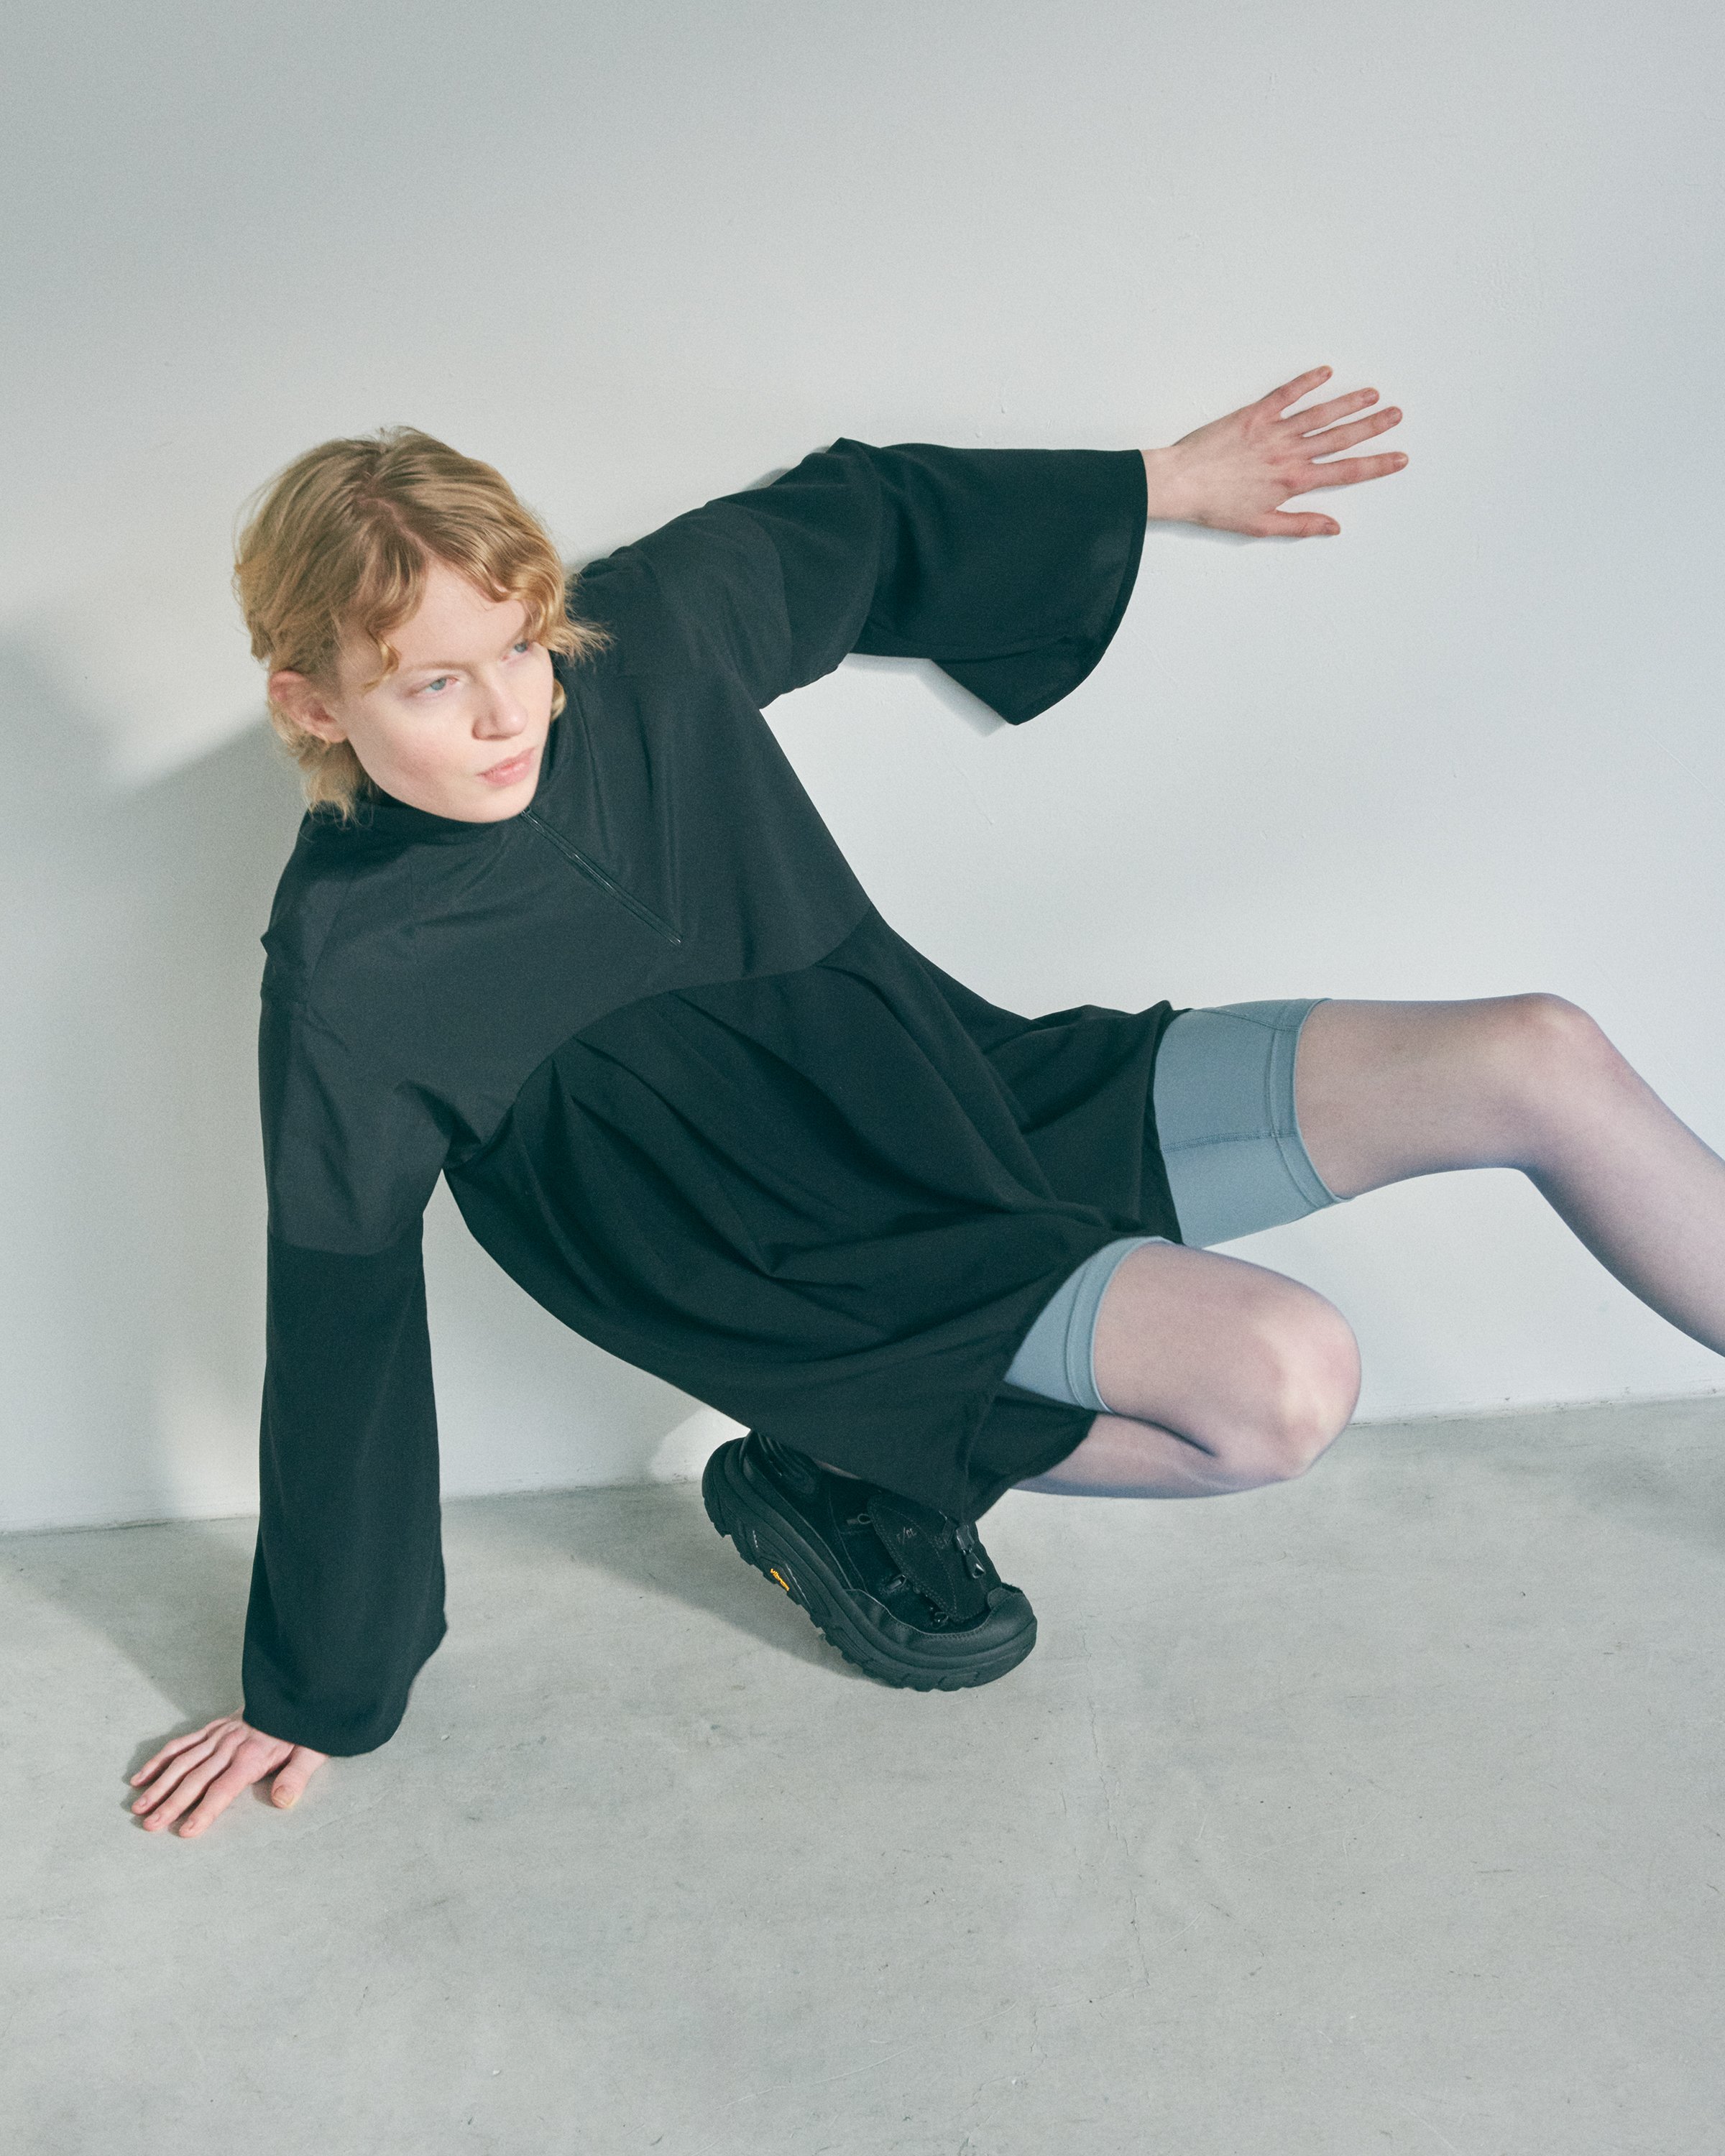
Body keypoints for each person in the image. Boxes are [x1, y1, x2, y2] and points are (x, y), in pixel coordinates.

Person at [129, 368, 1725, 1840]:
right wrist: (315, 1689)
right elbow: (343, 1315)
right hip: (817, 1275)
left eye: (520, 648)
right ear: (314, 705)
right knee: (1287, 1387)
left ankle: (856, 1460)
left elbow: (864, 514)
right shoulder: (351, 970)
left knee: (1539, 1051)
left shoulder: (644, 648)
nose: (507, 713)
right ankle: (845, 1447)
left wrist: (1157, 481)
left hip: (961, 1098)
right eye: (432, 684)